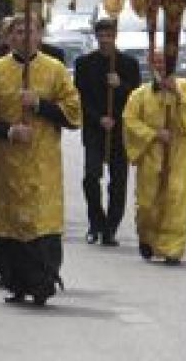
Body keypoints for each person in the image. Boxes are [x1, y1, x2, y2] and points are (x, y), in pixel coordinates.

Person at [0, 14, 82, 306]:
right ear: (8, 38)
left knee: (40, 224)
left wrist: (40, 104)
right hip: (4, 164)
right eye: (18, 31)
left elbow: (72, 113)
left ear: (40, 34)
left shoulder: (55, 70)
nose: (25, 36)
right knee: (9, 226)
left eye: (31, 30)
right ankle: (16, 282)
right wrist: (8, 130)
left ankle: (43, 281)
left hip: (42, 164)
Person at [123, 52, 186, 265]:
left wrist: (177, 94)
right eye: (157, 62)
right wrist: (153, 134)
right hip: (151, 155)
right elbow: (130, 121)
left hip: (177, 154)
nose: (160, 66)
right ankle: (147, 238)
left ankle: (172, 248)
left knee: (176, 198)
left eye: (165, 62)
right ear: (151, 65)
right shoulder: (139, 95)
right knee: (147, 202)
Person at [74, 18, 142, 247]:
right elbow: (79, 98)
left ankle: (110, 228)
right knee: (91, 177)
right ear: (96, 37)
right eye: (101, 36)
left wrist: (120, 85)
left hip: (119, 129)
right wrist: (98, 118)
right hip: (95, 129)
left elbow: (136, 98)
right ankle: (96, 223)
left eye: (109, 36)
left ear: (115, 36)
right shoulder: (84, 63)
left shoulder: (128, 64)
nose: (105, 40)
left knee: (118, 181)